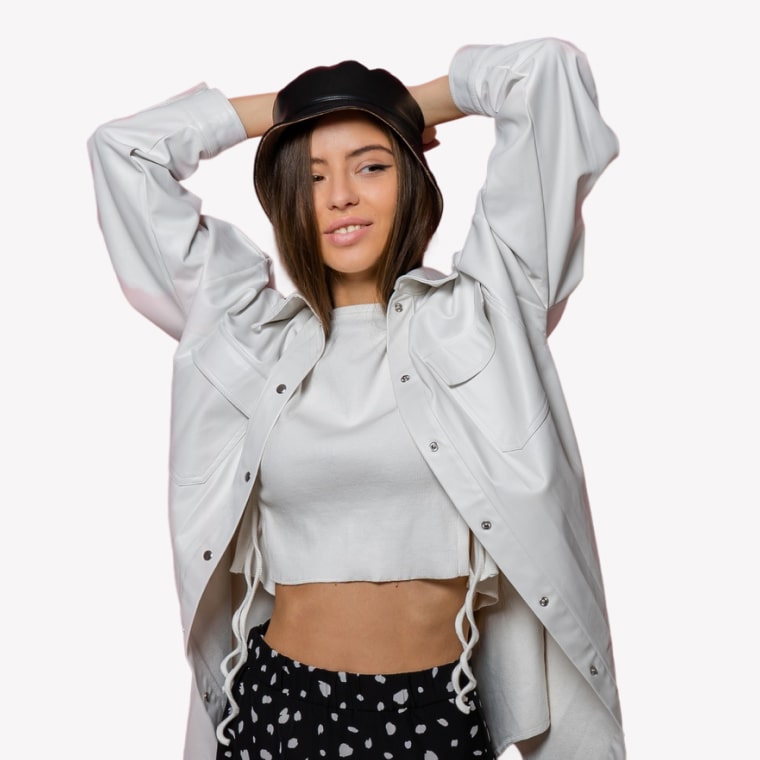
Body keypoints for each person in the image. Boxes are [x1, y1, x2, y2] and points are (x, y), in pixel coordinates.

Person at [88, 38, 622, 760]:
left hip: (435, 714)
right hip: (281, 711)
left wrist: (398, 105)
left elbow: (546, 75)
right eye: (312, 176)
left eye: (371, 165)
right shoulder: (248, 337)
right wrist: (296, 110)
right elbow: (123, 152)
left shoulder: (484, 318)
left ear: (411, 176)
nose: (340, 194)